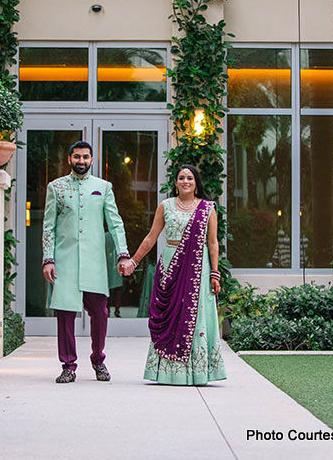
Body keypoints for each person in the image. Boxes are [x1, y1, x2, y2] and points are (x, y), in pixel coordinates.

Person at [120, 164, 227, 385]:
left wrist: (215, 274)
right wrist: (134, 260)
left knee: (195, 317)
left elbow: (213, 243)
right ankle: (168, 372)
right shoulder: (165, 206)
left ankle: (197, 372)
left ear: (196, 183)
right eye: (181, 178)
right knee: (171, 315)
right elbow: (151, 238)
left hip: (198, 267)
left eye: (190, 178)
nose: (185, 181)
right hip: (170, 265)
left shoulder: (207, 208)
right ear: (175, 182)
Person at [42, 141, 132, 383]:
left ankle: (98, 360)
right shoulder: (56, 187)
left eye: (85, 157)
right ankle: (68, 366)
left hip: (94, 262)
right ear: (69, 159)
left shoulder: (103, 187)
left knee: (100, 313)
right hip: (65, 261)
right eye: (77, 157)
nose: (81, 161)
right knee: (65, 315)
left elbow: (115, 223)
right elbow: (48, 226)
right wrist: (48, 259)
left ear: (92, 160)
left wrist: (123, 253)